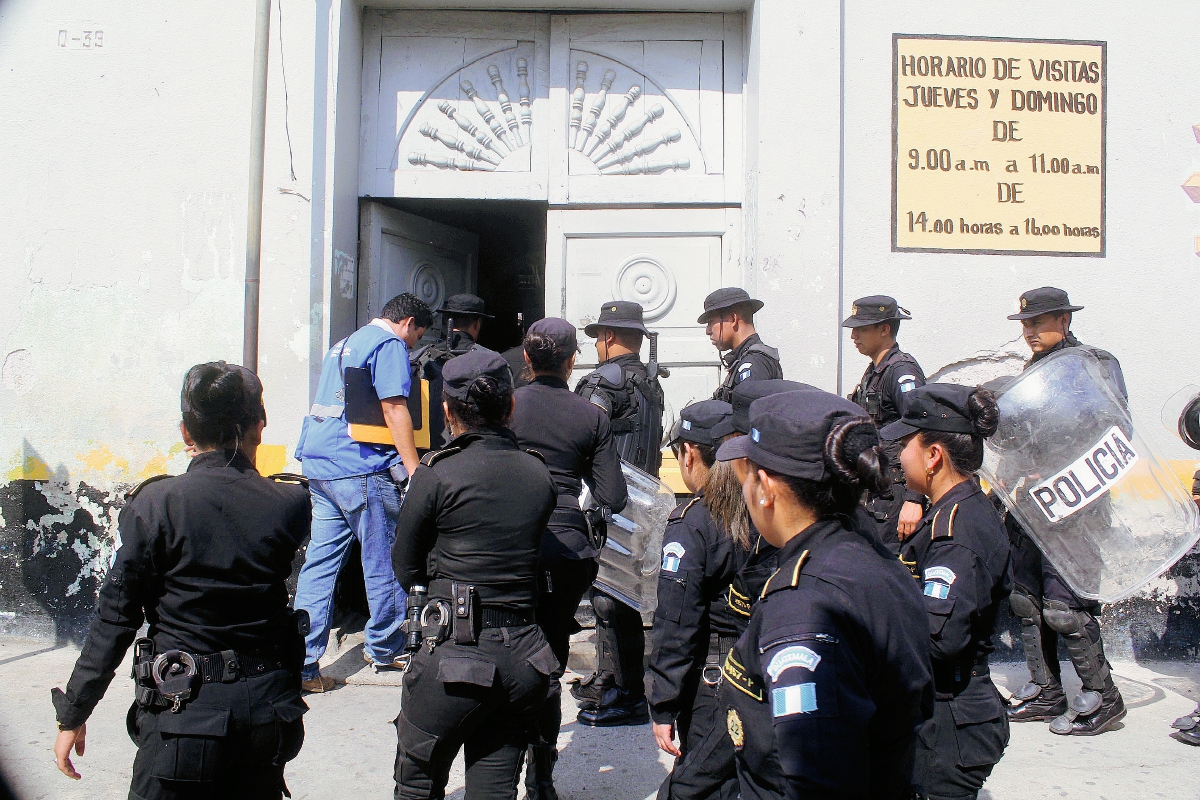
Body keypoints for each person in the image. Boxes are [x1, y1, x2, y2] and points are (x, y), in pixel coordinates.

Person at [51, 362, 311, 798]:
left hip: (184, 713)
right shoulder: (289, 502)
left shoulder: (156, 505)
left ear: (186, 432)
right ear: (258, 427)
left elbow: (116, 618)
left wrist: (74, 711)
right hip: (269, 718)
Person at [716, 389, 932, 800]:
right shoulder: (870, 557)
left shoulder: (803, 603)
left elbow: (813, 775)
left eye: (748, 473)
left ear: (764, 486)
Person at [390, 349, 559, 800]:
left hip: (454, 657)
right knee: (493, 789)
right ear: (511, 406)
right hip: (524, 658)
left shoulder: (436, 474)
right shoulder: (538, 473)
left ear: (446, 411)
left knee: (417, 784)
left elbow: (405, 564)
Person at [509, 317, 628, 799]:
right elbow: (613, 494)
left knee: (501, 650)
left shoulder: (506, 405)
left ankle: (502, 764)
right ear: (572, 359)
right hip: (564, 549)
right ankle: (541, 775)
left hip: (506, 546)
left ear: (526, 357)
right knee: (549, 662)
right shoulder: (589, 415)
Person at [293, 293, 432, 691]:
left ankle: (303, 663)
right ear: (407, 323)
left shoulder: (346, 341)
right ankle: (387, 646)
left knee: (319, 565)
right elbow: (393, 408)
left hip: (321, 463)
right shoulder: (388, 344)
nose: (412, 346)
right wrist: (413, 469)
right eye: (415, 338)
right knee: (383, 559)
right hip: (359, 467)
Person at [1003, 287, 1127, 735]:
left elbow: (1112, 427)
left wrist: (1053, 467)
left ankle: (1104, 698)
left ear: (1065, 321)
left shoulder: (1094, 365)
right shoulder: (1034, 370)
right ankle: (1046, 689)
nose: (1029, 332)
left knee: (1065, 608)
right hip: (1032, 506)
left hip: (1078, 504)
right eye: (1025, 324)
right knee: (1026, 601)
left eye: (1038, 323)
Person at [881, 384, 1011, 800]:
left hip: (950, 721)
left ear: (933, 456)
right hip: (943, 709)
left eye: (906, 445)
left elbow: (939, 640)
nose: (900, 457)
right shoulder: (956, 509)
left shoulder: (955, 534)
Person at [571, 300, 666, 726]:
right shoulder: (649, 383)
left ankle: (625, 694)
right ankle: (610, 678)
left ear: (608, 337)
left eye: (596, 337)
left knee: (611, 599)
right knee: (614, 594)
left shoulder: (602, 384)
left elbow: (583, 440)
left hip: (610, 500)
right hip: (640, 502)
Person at [649, 400, 741, 800]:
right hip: (764, 670)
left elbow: (677, 624)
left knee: (691, 787)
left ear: (688, 453)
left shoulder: (694, 525)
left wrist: (663, 704)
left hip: (716, 680)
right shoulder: (767, 510)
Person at [842, 295, 927, 551]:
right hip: (875, 490)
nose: (853, 336)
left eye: (862, 329)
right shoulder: (875, 371)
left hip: (896, 495)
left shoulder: (902, 373)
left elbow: (922, 432)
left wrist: (915, 499)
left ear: (884, 329)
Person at [412, 293, 495, 449]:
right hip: (473, 449)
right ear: (477, 324)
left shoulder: (420, 357)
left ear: (446, 322)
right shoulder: (490, 362)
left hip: (427, 449)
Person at [698, 288, 783, 402]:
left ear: (733, 319)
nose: (708, 331)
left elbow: (749, 417)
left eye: (711, 322)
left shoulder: (754, 363)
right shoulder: (744, 360)